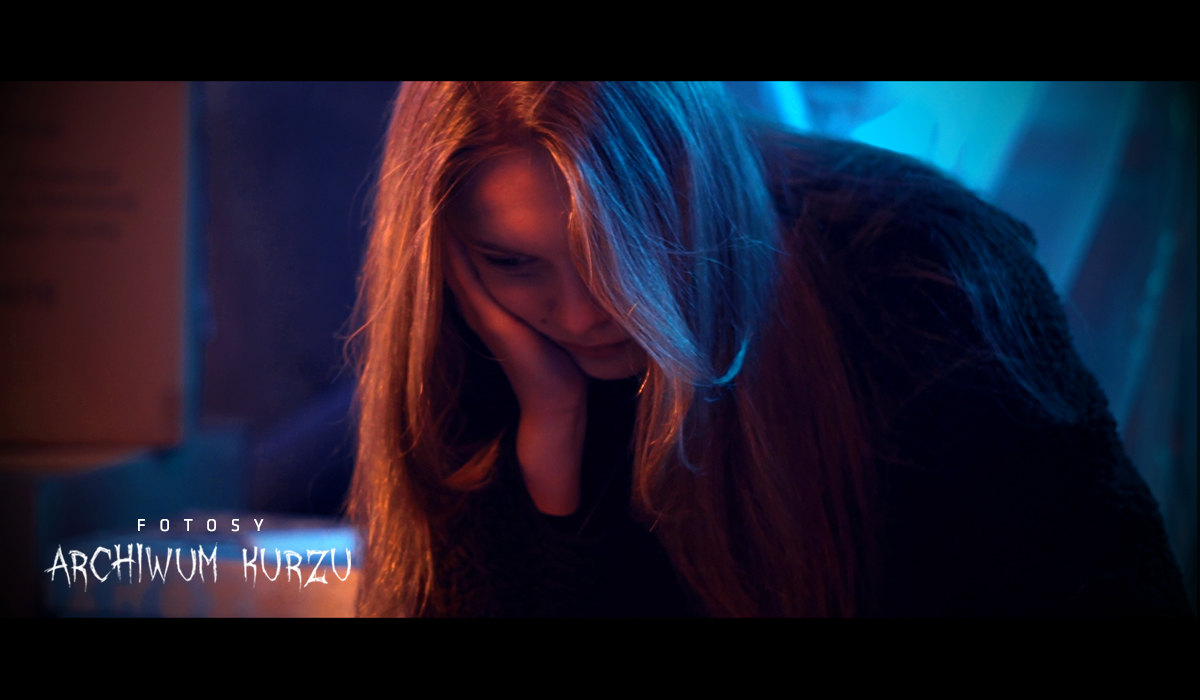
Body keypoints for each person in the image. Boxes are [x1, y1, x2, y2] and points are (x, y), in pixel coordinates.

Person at [348, 82, 1191, 617]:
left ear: (694, 183)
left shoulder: (922, 273)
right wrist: (551, 454)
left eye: (619, 246)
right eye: (513, 262)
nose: (581, 313)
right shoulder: (473, 355)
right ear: (444, 254)